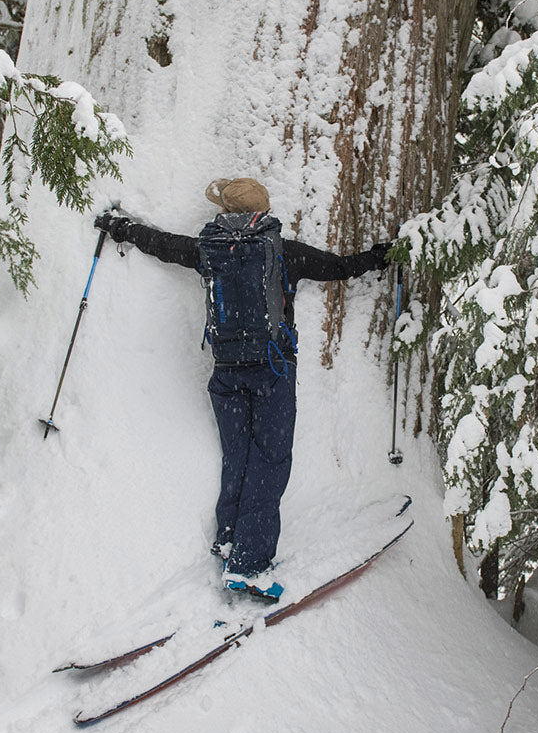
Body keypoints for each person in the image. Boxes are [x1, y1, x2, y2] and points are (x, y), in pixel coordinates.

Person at [95, 178, 391, 600]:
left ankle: (228, 540)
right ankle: (249, 566)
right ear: (263, 213)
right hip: (272, 371)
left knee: (238, 457)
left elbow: (160, 243)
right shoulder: (282, 252)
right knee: (269, 462)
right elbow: (340, 268)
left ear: (222, 212)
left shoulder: (208, 250)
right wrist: (382, 257)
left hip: (227, 372)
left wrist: (121, 228)